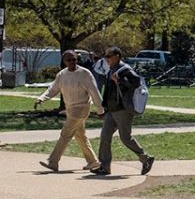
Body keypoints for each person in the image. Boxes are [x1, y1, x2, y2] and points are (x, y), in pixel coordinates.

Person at [34, 51, 104, 172]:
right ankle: (93, 162)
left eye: (74, 59)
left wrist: (100, 109)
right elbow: (53, 89)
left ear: (77, 59)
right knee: (80, 137)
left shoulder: (84, 74)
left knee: (65, 134)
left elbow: (94, 92)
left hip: (82, 108)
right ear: (64, 61)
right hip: (70, 109)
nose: (72, 62)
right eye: (68, 60)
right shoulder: (62, 74)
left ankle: (53, 161)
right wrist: (42, 98)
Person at [93, 47, 154, 176]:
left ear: (117, 56)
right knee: (105, 136)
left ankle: (145, 158)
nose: (106, 59)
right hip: (111, 109)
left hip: (122, 110)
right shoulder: (111, 69)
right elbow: (109, 90)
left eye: (109, 56)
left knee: (125, 138)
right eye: (105, 56)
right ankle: (104, 166)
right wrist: (104, 108)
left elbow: (136, 82)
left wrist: (120, 80)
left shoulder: (125, 69)